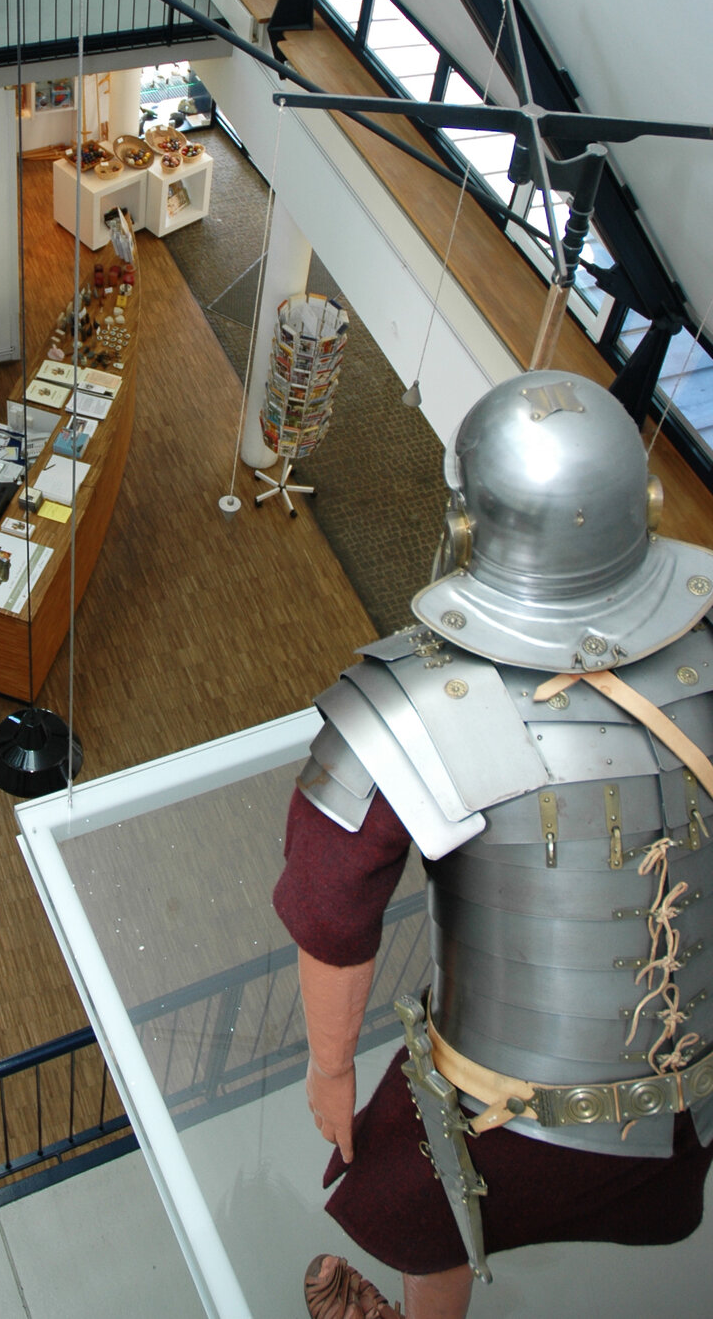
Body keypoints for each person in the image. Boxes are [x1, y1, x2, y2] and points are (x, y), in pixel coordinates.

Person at [275, 370, 713, 1319]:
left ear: (470, 527)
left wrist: (331, 1070)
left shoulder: (401, 707)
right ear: (639, 503)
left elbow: (330, 910)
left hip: (509, 1112)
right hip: (696, 1096)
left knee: (409, 1192)